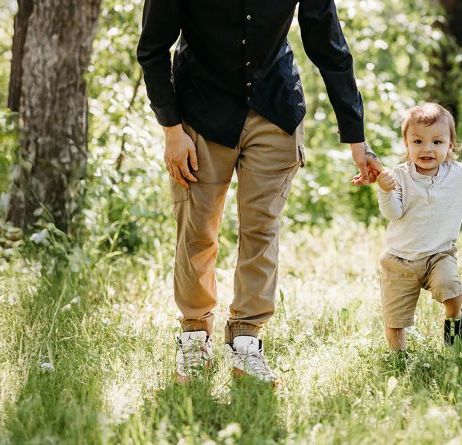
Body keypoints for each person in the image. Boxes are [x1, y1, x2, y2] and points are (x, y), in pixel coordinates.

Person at [137, 0, 383, 384]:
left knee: (261, 229)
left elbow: (328, 43)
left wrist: (356, 137)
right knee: (197, 229)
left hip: (275, 108)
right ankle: (195, 335)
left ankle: (246, 341)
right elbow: (153, 48)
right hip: (200, 110)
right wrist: (171, 129)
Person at [371, 103, 462, 351]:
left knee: (452, 291)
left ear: (450, 145)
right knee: (395, 321)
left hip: (439, 255)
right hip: (399, 260)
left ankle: (454, 325)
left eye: (437, 142)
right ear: (406, 144)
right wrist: (385, 190)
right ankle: (399, 360)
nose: (427, 148)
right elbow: (393, 212)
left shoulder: (459, 174)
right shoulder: (400, 176)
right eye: (418, 141)